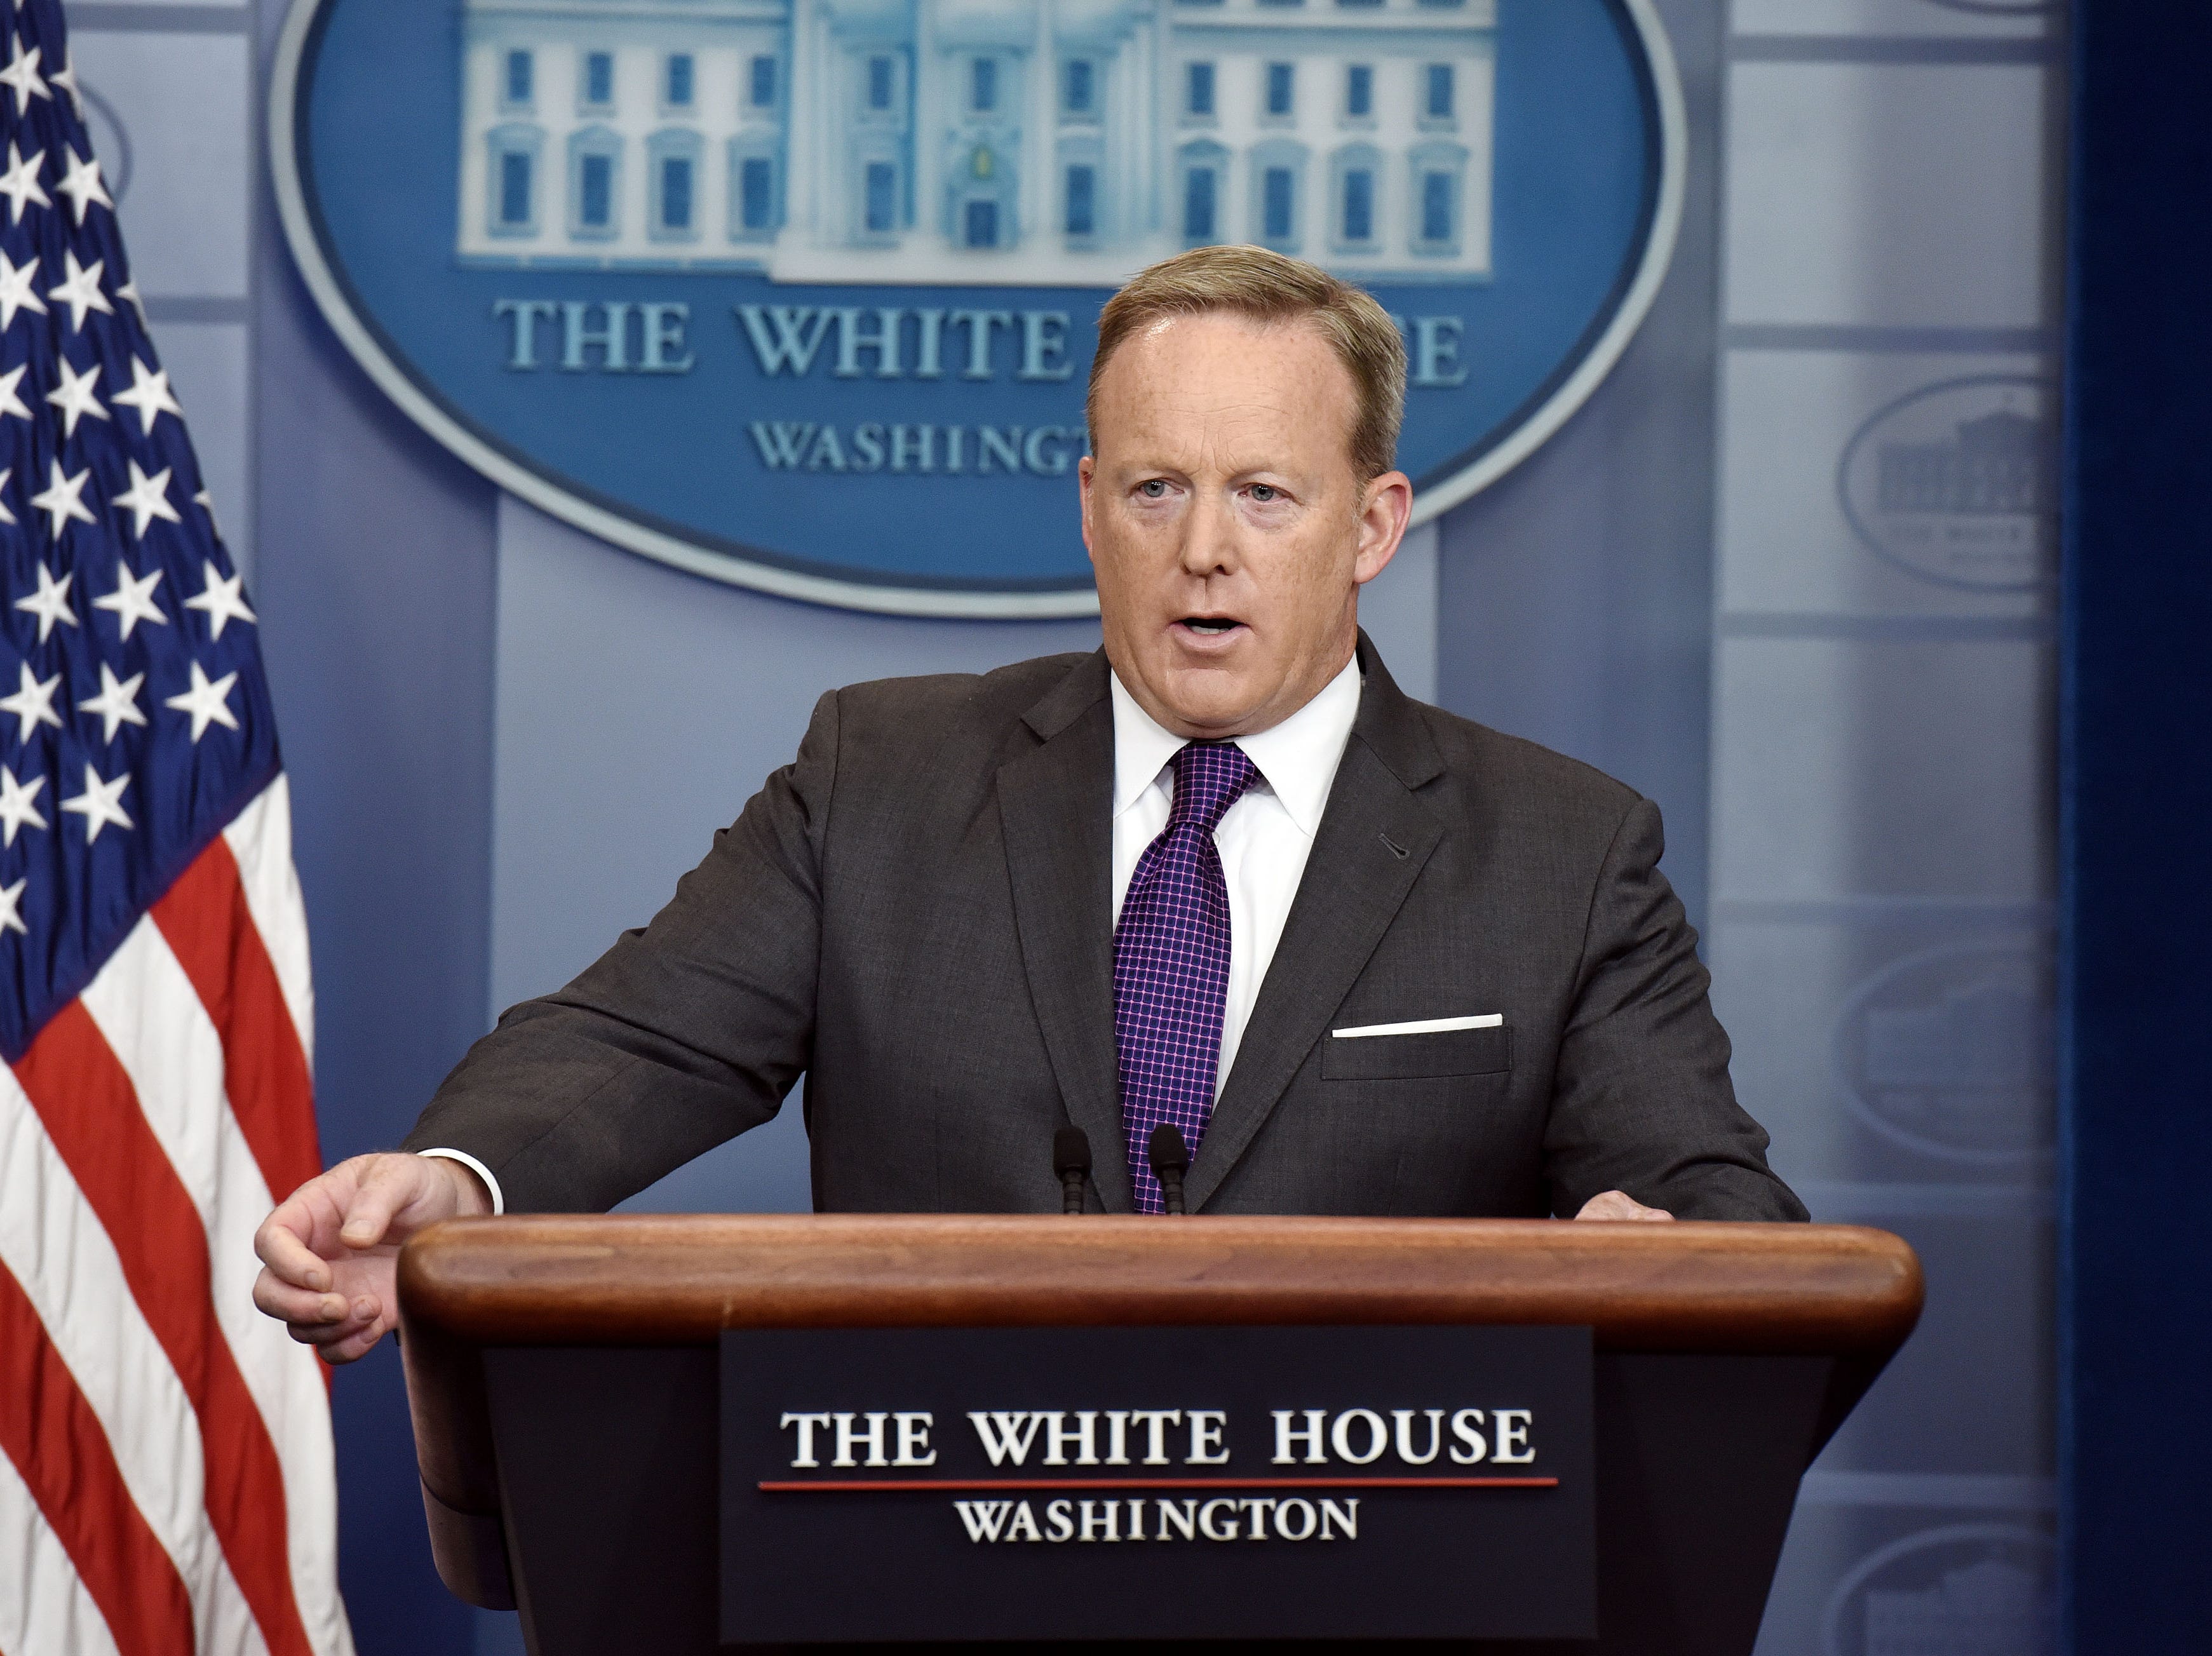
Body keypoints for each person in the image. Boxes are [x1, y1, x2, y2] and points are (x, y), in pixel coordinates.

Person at [255, 246, 1805, 1364]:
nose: (1204, 547)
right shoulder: (883, 778)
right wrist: (455, 1182)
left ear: (1371, 525)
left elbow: (1705, 1198)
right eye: (1154, 489)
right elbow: (641, 1039)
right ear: (1088, 509)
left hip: (1371, 1576)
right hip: (929, 1557)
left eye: (1264, 494)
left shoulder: (1561, 849)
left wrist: (1664, 1260)